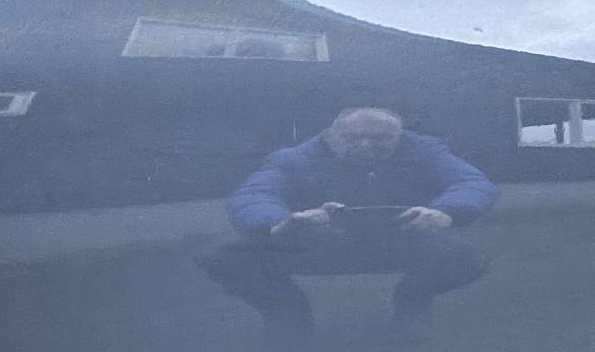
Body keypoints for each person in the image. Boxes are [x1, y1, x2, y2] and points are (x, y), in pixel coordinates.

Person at [201, 107, 498, 337]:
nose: (367, 146)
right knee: (225, 257)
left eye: (380, 139)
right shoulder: (296, 159)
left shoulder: (425, 150)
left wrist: (445, 212)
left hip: (403, 237)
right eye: (353, 138)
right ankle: (286, 311)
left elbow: (471, 182)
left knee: (467, 259)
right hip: (320, 243)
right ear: (330, 137)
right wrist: (280, 223)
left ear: (401, 135)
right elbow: (254, 194)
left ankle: (413, 301)